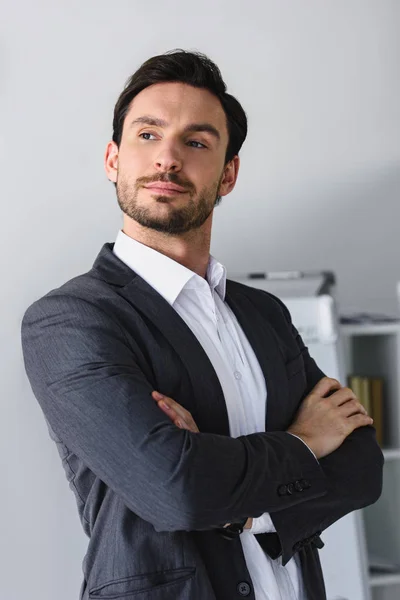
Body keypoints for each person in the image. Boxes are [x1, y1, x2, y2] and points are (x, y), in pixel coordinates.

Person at [21, 49, 383, 600]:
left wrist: (241, 508)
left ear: (228, 173)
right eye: (148, 135)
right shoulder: (71, 320)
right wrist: (306, 440)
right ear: (113, 160)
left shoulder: (264, 313)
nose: (167, 158)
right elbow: (176, 491)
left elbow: (360, 468)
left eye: (196, 142)